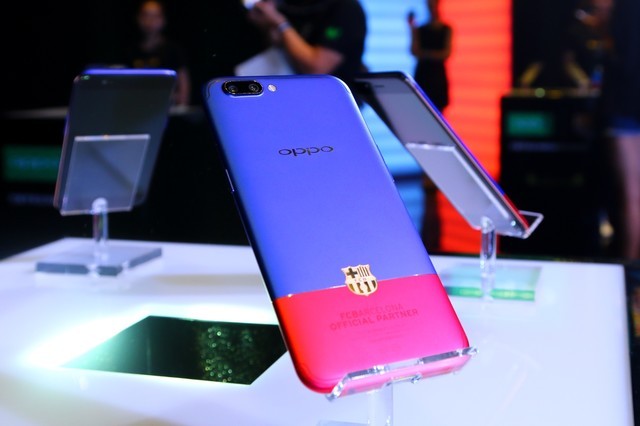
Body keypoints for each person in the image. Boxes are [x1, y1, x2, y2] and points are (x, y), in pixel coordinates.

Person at [407, 0, 452, 252]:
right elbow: (415, 51)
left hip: (436, 79)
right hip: (424, 77)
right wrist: (412, 29)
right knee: (422, 129)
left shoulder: (445, 29)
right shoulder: (422, 30)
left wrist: (427, 53)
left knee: (438, 129)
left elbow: (445, 53)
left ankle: (436, 173)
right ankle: (427, 172)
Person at [246, 0, 367, 89]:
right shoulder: (290, 5)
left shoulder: (346, 9)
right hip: (287, 92)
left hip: (330, 102)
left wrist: (281, 24)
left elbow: (317, 69)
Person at [602, 0, 640, 259]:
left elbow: (623, 60)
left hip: (625, 107)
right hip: (627, 106)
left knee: (631, 194)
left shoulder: (624, 9)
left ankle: (630, 266)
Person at [126, 0, 191, 106]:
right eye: (146, 15)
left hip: (167, 109)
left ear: (163, 20)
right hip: (137, 108)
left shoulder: (173, 50)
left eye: (155, 16)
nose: (150, 21)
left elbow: (183, 87)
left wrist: (181, 104)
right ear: (138, 18)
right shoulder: (130, 51)